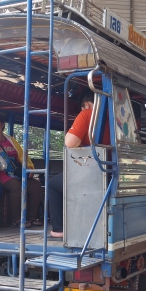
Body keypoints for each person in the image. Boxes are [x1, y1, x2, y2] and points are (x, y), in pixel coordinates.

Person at [48, 90, 101, 238]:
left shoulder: (88, 113)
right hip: (110, 172)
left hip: (91, 172)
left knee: (53, 183)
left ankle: (58, 229)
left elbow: (70, 142)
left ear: (86, 105)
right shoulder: (113, 117)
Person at [0, 112, 43, 227]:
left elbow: (22, 155)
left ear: (2, 124)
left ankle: (32, 218)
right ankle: (16, 219)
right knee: (16, 186)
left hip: (16, 171)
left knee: (36, 185)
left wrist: (29, 168)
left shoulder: (10, 140)